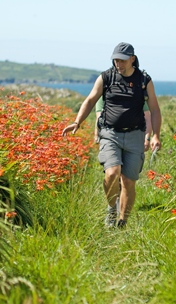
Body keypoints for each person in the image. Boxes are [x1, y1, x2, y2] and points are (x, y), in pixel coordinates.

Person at [63, 43, 162, 228]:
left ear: (132, 59)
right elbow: (91, 99)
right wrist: (77, 122)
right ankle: (111, 209)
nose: (118, 64)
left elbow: (155, 110)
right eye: (115, 60)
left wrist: (155, 135)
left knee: (128, 182)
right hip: (109, 133)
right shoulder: (105, 77)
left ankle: (122, 223)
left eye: (122, 60)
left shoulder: (144, 80)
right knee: (112, 174)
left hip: (135, 135)